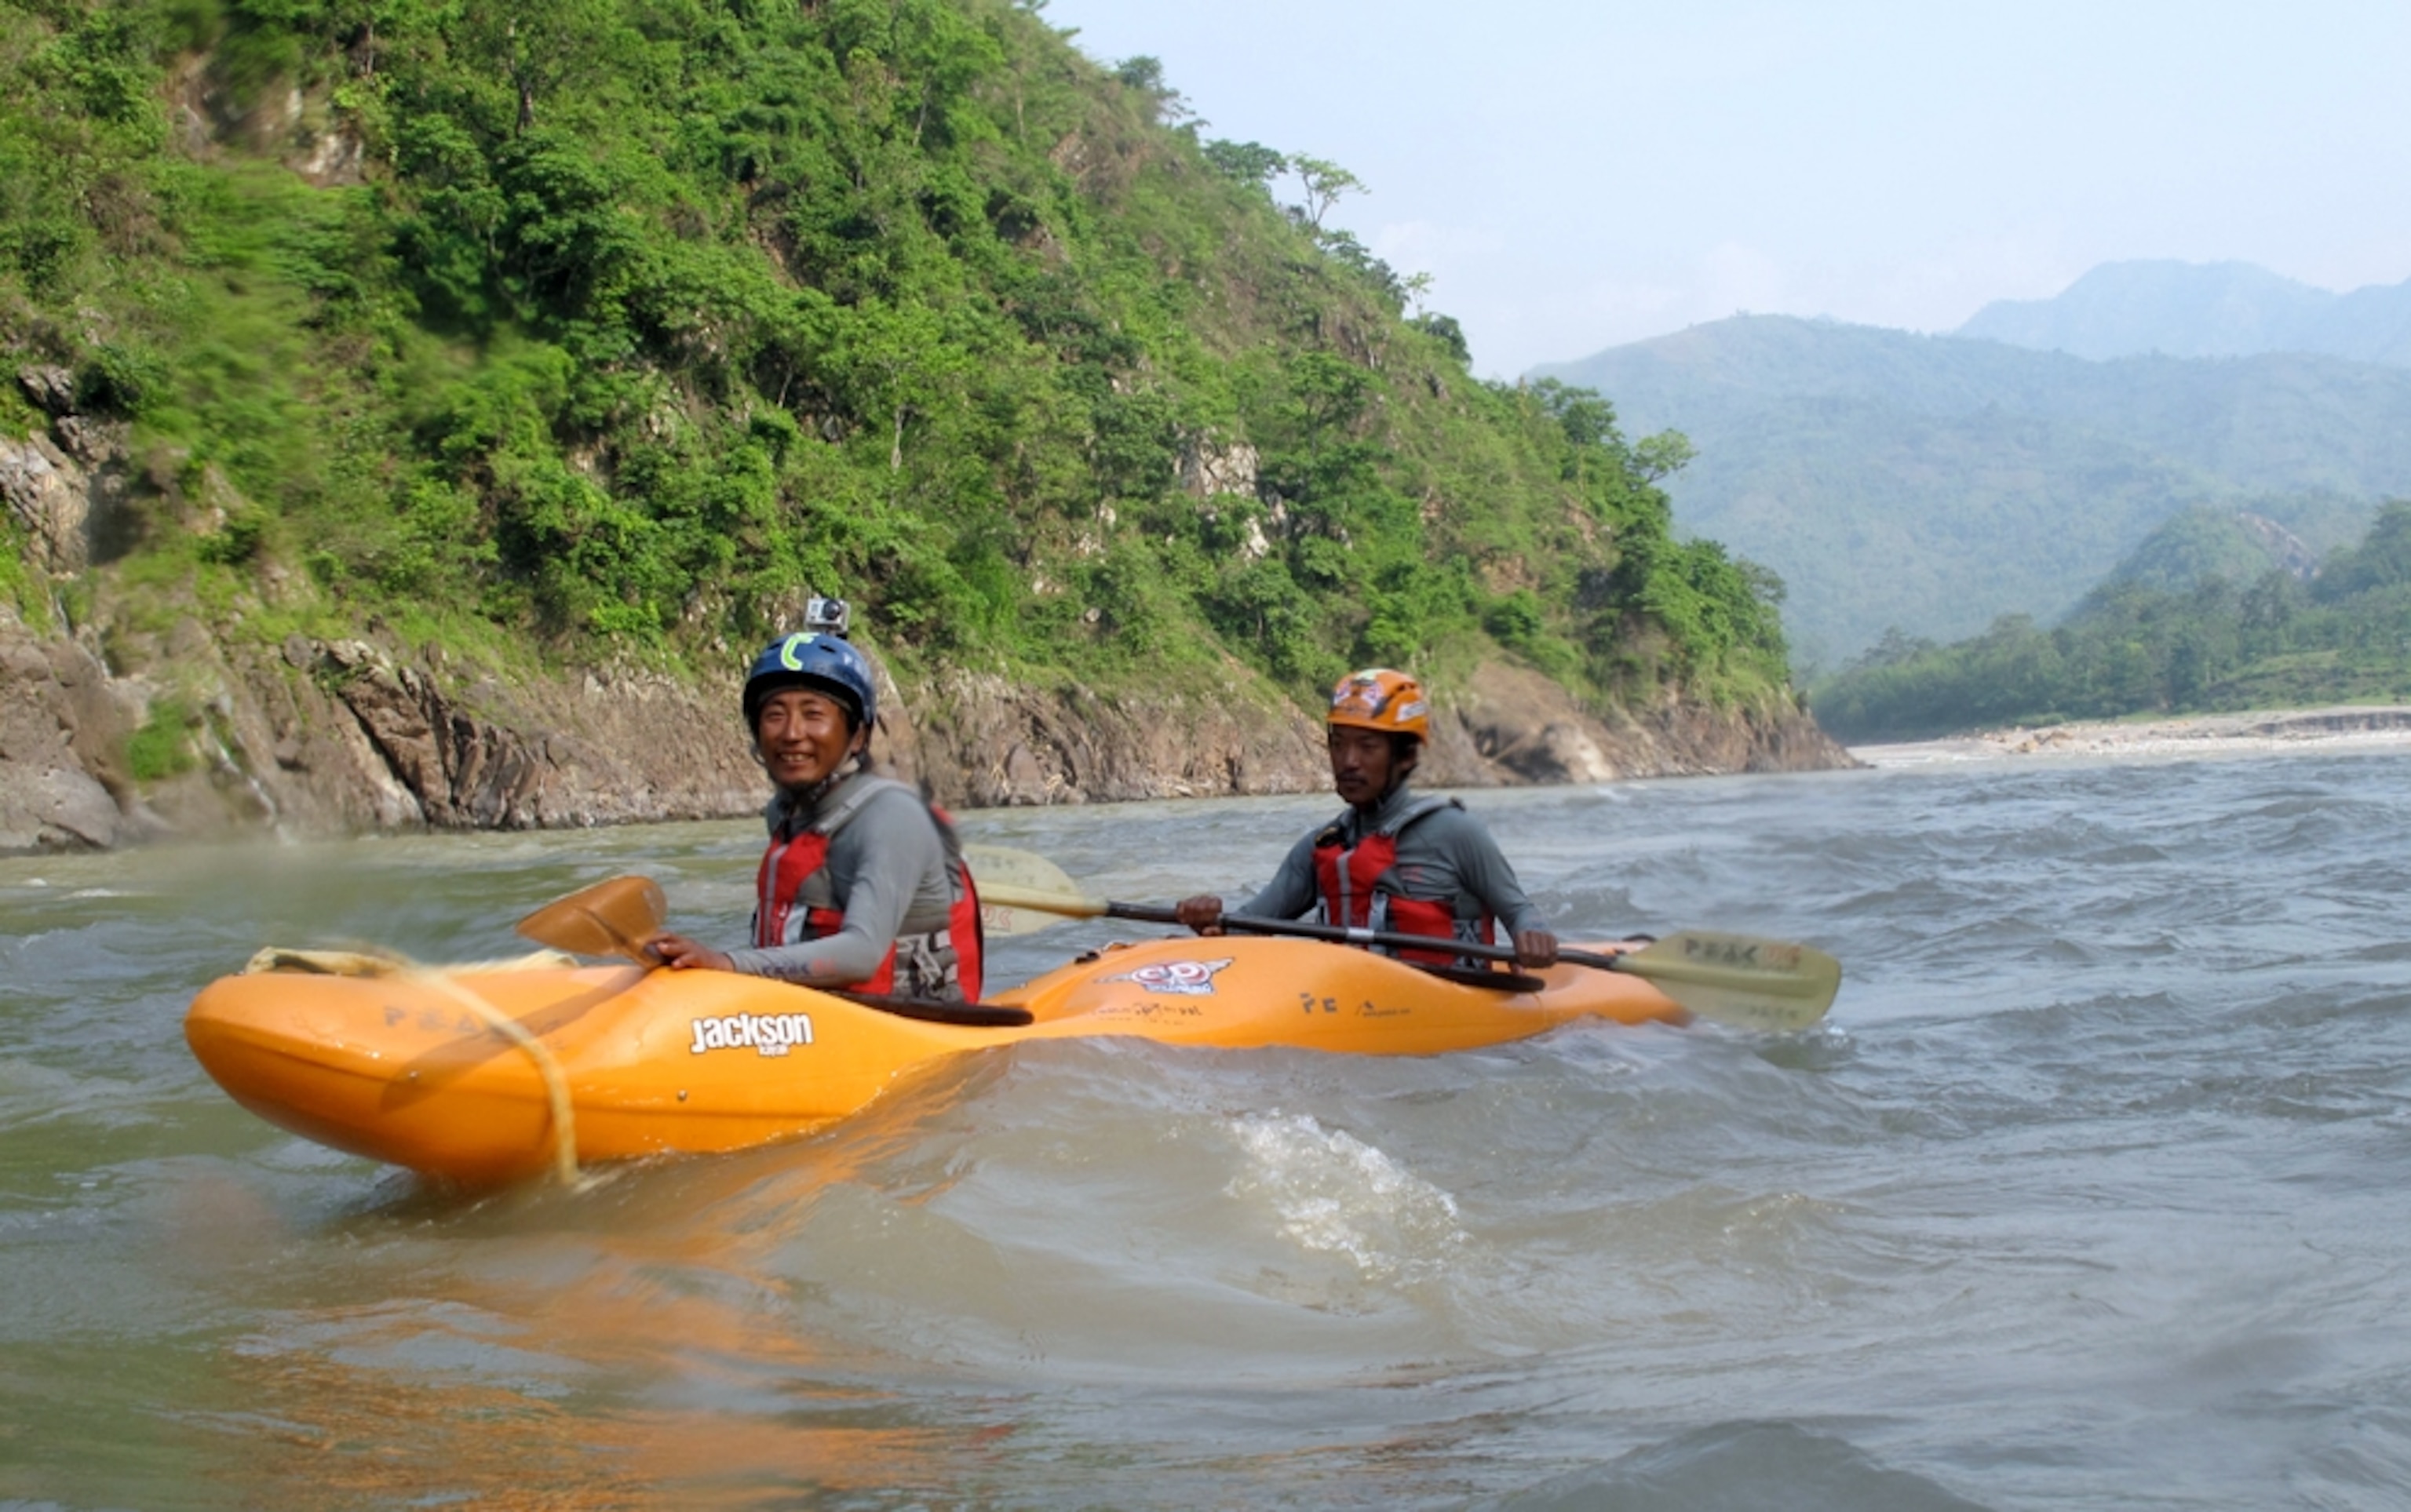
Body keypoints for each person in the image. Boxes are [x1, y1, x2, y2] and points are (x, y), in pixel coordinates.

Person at [649, 626, 984, 1001]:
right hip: (810, 1017)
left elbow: (861, 955)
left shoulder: (892, 816)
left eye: (813, 714)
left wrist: (728, 964)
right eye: (775, 715)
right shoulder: (785, 814)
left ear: (857, 736)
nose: (792, 733)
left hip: (905, 1027)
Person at [1175, 668, 1559, 969]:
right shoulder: (1322, 845)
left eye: (1368, 746)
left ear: (1406, 756)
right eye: (1338, 744)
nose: (1348, 761)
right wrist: (1209, 918)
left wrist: (1533, 934)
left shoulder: (1457, 832)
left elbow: (1520, 911)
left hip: (1444, 1001)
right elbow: (1247, 928)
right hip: (1349, 1003)